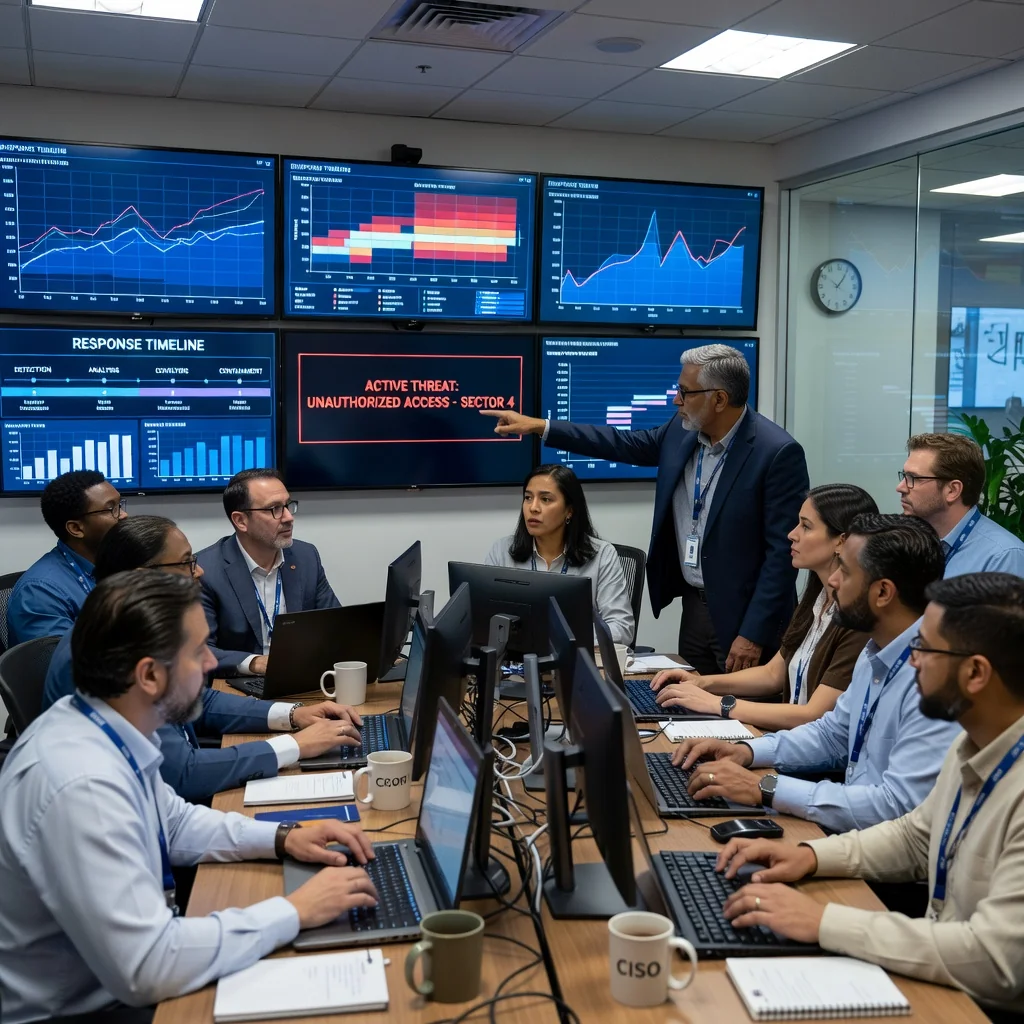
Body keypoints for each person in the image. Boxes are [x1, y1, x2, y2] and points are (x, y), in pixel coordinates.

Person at [0, 571, 378, 1023]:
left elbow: (173, 821)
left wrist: (284, 837)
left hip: (118, 980)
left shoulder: (97, 722)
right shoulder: (83, 786)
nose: (211, 665)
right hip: (83, 1010)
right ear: (149, 675)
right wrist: (295, 910)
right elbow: (149, 967)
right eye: (197, 652)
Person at [715, 572, 1024, 1022]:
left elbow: (994, 958)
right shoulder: (974, 739)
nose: (913, 662)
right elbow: (917, 837)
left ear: (976, 672)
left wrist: (823, 922)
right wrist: (809, 855)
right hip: (944, 972)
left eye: (926, 649)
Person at [483, 344, 809, 674]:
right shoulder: (682, 433)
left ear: (719, 399)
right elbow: (621, 443)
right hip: (695, 607)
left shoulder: (776, 453)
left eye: (684, 392)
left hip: (746, 618)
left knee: (742, 719)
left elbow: (783, 553)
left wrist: (752, 634)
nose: (675, 400)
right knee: (690, 712)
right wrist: (541, 426)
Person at [672, 514, 963, 833]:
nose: (833, 581)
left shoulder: (935, 679)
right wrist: (746, 750)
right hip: (853, 833)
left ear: (883, 593)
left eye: (846, 572)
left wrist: (766, 788)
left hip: (885, 857)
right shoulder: (877, 650)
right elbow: (833, 734)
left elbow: (896, 807)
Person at [42, 516, 362, 801]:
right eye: (186, 562)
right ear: (145, 575)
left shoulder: (130, 621)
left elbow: (200, 701)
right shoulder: (110, 644)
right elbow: (184, 774)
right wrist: (296, 745)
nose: (200, 571)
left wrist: (294, 715)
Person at [650, 483, 878, 730]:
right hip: (789, 742)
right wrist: (702, 683)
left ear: (841, 542)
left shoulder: (858, 619)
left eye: (806, 526)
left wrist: (719, 705)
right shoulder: (817, 598)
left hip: (810, 752)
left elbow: (813, 715)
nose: (792, 534)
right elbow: (773, 674)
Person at [197, 468, 339, 676]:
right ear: (240, 521)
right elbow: (198, 651)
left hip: (302, 677)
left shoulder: (306, 556)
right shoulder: (205, 570)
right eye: (274, 509)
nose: (289, 517)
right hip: (240, 687)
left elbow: (334, 626)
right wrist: (256, 663)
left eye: (288, 505)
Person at [484, 464, 635, 645]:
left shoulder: (602, 555)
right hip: (517, 663)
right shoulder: (502, 551)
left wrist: (564, 639)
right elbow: (485, 619)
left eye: (546, 499)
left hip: (576, 662)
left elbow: (622, 627)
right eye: (528, 498)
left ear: (569, 510)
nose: (533, 508)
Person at [6, 470, 127, 647]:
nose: (124, 515)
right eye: (112, 509)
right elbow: (63, 666)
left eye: (120, 505)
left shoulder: (117, 563)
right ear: (76, 528)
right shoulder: (39, 593)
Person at [899, 432, 1024, 577]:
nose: (900, 487)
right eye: (904, 476)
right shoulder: (912, 541)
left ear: (952, 490)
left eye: (914, 478)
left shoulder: (1003, 557)